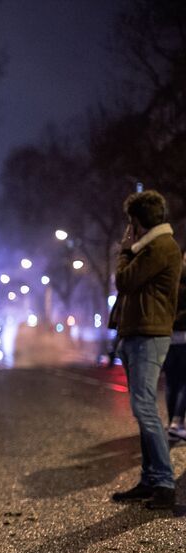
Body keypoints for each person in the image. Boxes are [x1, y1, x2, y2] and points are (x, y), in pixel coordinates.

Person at [110, 190, 181, 510]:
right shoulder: (149, 247)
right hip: (137, 333)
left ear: (139, 222)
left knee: (145, 409)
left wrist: (124, 252)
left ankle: (164, 483)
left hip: (149, 335)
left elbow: (125, 281)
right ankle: (150, 479)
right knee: (143, 408)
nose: (129, 229)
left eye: (131, 222)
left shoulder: (160, 248)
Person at [164, 253, 186, 440]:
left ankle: (171, 422)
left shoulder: (169, 280)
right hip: (185, 337)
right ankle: (177, 422)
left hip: (169, 337)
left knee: (172, 382)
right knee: (184, 383)